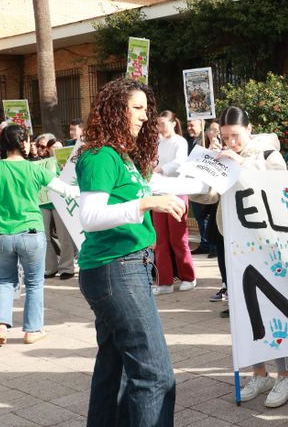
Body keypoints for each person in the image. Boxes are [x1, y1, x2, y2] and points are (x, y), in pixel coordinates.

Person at [74, 78, 187, 424]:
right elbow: (90, 217)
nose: (144, 117)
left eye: (146, 109)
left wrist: (220, 177)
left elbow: (159, 185)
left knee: (115, 367)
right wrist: (145, 204)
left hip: (121, 269)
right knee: (155, 376)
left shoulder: (122, 156)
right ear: (114, 110)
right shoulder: (100, 155)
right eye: (136, 109)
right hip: (116, 270)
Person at [188, 106, 288, 407]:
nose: (231, 142)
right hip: (231, 239)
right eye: (225, 137)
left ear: (249, 130)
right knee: (243, 309)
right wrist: (188, 179)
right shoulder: (222, 153)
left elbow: (280, 191)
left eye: (235, 136)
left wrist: (240, 165)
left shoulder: (268, 154)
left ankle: (284, 375)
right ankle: (258, 373)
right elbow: (211, 195)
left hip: (265, 243)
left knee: (271, 308)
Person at [0, 124, 78, 346]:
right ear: (24, 143)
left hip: (0, 234)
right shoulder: (35, 169)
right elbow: (67, 191)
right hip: (31, 233)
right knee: (34, 283)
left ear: (3, 144)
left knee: (4, 281)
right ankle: (32, 331)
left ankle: (1, 328)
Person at [151, 111, 196, 295]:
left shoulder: (180, 141)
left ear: (172, 123)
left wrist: (161, 168)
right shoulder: (159, 143)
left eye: (163, 123)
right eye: (158, 124)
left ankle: (188, 277)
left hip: (177, 193)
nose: (160, 128)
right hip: (160, 193)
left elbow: (180, 163)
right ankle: (164, 282)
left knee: (178, 238)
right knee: (160, 239)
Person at [35, 133, 76, 280]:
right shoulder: (38, 162)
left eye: (59, 147)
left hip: (59, 202)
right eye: (53, 147)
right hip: (43, 202)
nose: (56, 150)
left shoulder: (66, 163)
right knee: (44, 236)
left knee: (63, 235)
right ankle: (50, 267)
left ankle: (67, 268)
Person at [185, 119, 210, 256]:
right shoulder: (189, 141)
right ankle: (204, 242)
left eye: (192, 125)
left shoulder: (205, 140)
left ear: (201, 125)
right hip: (192, 184)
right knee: (199, 216)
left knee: (205, 215)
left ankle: (209, 244)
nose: (189, 127)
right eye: (188, 125)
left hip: (204, 184)